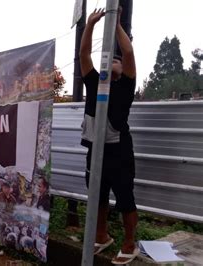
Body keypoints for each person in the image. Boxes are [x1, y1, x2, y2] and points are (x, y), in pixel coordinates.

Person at [79, 8, 139, 264]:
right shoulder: (94, 83)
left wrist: (113, 24)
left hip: (119, 150)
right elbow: (83, 54)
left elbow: (128, 52)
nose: (112, 61)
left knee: (124, 196)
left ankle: (129, 243)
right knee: (97, 194)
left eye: (115, 61)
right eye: (109, 60)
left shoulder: (125, 86)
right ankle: (101, 236)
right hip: (96, 148)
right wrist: (91, 24)